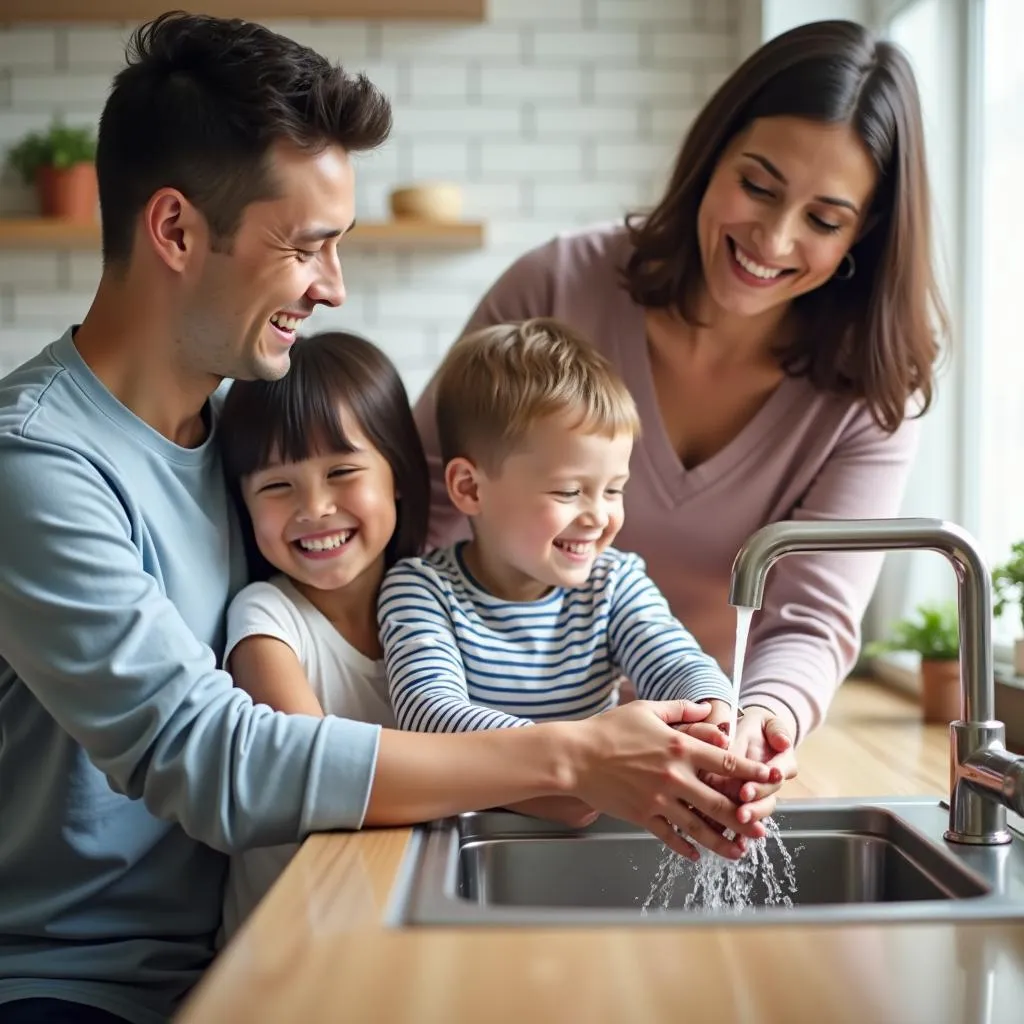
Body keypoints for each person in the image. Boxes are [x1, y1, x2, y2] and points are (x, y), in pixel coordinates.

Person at [0, 16, 780, 1021]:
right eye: (308, 247)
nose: (334, 286)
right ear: (178, 231)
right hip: (75, 985)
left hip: (253, 941)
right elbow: (207, 755)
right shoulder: (37, 465)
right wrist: (573, 754)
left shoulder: (251, 438)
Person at [414, 19, 947, 802]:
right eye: (757, 186)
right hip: (505, 750)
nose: (772, 237)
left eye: (824, 220)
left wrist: (757, 720)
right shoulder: (556, 286)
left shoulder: (870, 388)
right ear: (711, 156)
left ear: (863, 232)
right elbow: (425, 508)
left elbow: (810, 616)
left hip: (695, 755)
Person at [380, 318, 773, 852]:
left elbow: (676, 660)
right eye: (569, 492)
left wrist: (715, 718)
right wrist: (587, 754)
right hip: (464, 843)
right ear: (470, 488)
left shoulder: (614, 581)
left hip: (594, 836)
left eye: (614, 490)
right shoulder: (420, 590)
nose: (599, 517)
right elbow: (430, 714)